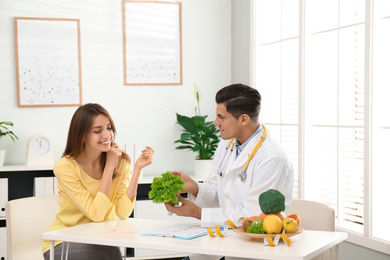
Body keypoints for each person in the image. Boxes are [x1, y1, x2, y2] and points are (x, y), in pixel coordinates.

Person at [165, 84, 294, 260]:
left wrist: (197, 213)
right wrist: (195, 187)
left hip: (250, 251)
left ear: (243, 119)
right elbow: (217, 191)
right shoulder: (226, 144)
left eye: (221, 117)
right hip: (218, 243)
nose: (216, 123)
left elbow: (253, 216)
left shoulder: (272, 158)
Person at [42, 103, 154, 260]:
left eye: (109, 128)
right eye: (97, 131)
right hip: (64, 242)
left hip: (99, 239)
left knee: (106, 250)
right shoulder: (66, 167)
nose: (107, 135)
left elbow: (123, 212)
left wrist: (137, 169)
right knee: (107, 252)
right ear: (81, 135)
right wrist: (109, 168)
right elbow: (96, 214)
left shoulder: (120, 161)